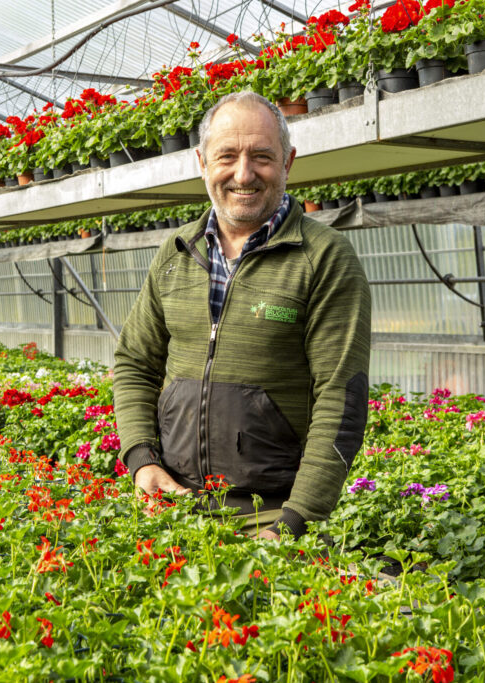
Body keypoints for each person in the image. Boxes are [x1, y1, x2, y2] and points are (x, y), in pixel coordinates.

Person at [113, 91, 371, 540]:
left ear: (288, 162)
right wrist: (142, 460)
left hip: (269, 512)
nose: (243, 173)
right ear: (202, 162)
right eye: (227, 156)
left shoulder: (324, 258)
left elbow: (340, 399)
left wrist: (295, 519)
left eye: (262, 157)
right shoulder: (176, 253)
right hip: (171, 499)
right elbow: (135, 362)